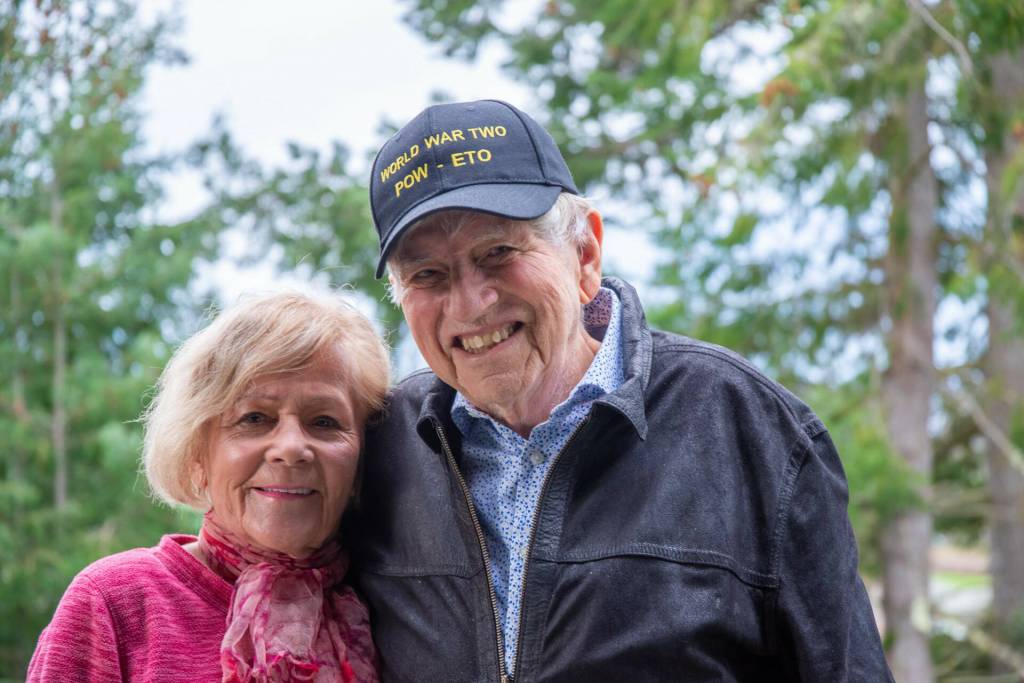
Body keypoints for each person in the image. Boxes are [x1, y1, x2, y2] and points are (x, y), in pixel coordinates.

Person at [351, 99, 894, 682]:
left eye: (498, 254)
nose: (470, 303)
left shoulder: (749, 427)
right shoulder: (377, 449)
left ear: (584, 253)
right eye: (428, 276)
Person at [28, 291, 388, 682]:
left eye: (324, 422)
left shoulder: (397, 603)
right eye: (254, 418)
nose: (291, 448)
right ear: (198, 451)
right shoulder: (115, 603)